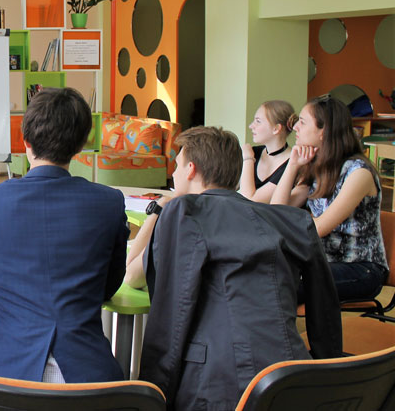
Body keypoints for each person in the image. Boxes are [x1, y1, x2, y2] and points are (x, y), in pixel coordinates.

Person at [127, 126, 341, 410]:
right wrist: (329, 381)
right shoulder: (293, 221)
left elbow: (169, 313)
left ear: (191, 169)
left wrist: (153, 392)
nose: (174, 174)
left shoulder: (184, 213)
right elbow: (325, 312)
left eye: (177, 166)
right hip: (291, 375)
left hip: (216, 384)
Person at [0, 87, 128, 383]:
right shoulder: (110, 204)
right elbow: (108, 286)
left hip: (6, 382)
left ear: (25, 142)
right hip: (91, 382)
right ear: (81, 145)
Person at [271, 97, 389, 301]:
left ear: (323, 131)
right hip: (325, 263)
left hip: (362, 269)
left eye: (302, 122)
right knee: (266, 274)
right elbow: (277, 212)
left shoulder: (358, 173)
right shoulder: (317, 167)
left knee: (280, 281)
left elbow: (318, 229)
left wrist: (288, 228)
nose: (295, 127)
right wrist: (293, 165)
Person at [238, 100, 297, 203]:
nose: (251, 126)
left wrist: (247, 159)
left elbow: (249, 201)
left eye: (258, 121)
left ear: (276, 129)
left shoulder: (292, 162)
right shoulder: (254, 152)